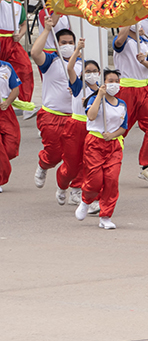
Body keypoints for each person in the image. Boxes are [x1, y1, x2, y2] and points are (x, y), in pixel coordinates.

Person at [30, 20, 85, 204]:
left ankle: (76, 189)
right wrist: (46, 29)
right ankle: (44, 164)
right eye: (64, 43)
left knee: (77, 157)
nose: (68, 46)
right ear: (56, 44)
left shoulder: (82, 65)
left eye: (71, 43)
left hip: (74, 118)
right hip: (51, 116)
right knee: (54, 154)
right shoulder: (50, 61)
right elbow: (35, 53)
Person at [75, 69, 128, 228]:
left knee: (112, 181)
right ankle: (86, 200)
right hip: (95, 144)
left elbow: (123, 127)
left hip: (113, 146)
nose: (114, 84)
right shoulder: (94, 100)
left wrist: (112, 136)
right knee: (95, 181)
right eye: (110, 81)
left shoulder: (122, 104)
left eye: (116, 81)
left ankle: (105, 216)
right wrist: (99, 95)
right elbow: (91, 116)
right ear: (103, 83)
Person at [112, 23, 148, 182]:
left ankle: (146, 166)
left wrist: (144, 62)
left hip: (144, 90)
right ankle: (109, 161)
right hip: (126, 90)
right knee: (118, 130)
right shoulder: (122, 41)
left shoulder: (146, 44)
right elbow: (119, 41)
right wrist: (126, 21)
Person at [67, 59, 103, 210]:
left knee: (92, 163)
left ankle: (90, 197)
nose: (92, 74)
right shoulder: (78, 87)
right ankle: (74, 190)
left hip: (94, 129)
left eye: (94, 71)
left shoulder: (102, 89)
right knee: (76, 161)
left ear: (99, 73)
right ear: (82, 73)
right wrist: (78, 50)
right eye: (88, 71)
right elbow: (69, 68)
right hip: (77, 125)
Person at [0, 0, 35, 116]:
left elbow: (24, 24)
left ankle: (24, 103)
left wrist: (20, 35)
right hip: (0, 39)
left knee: (25, 67)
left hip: (12, 42)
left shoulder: (18, 5)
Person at [0, 57, 20, 191]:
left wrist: (7, 102)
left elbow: (15, 89)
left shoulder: (6, 67)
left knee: (12, 145)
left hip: (5, 111)